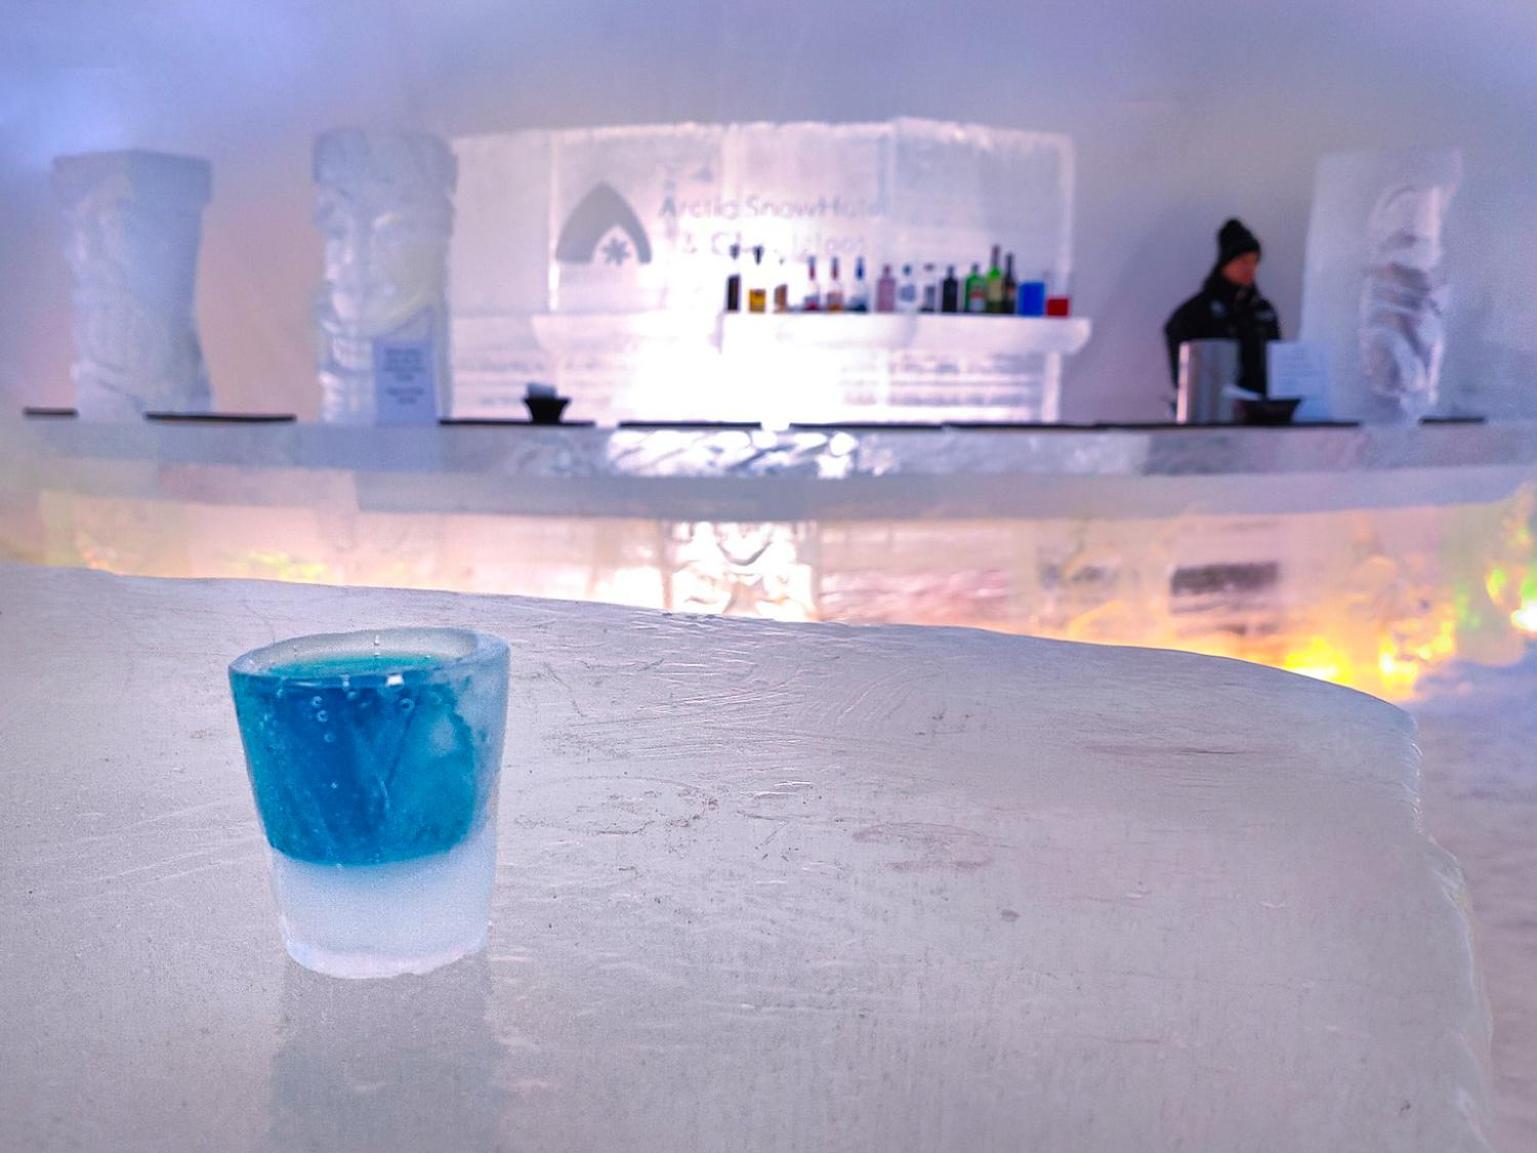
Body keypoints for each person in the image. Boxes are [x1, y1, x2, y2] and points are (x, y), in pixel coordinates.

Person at [1163, 218, 1282, 398]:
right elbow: (1182, 368)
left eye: (1254, 261)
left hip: (1260, 409)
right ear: (1225, 263)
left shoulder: (1263, 311)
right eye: (1243, 260)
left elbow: (1278, 361)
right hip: (1214, 408)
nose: (1250, 267)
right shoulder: (1196, 312)